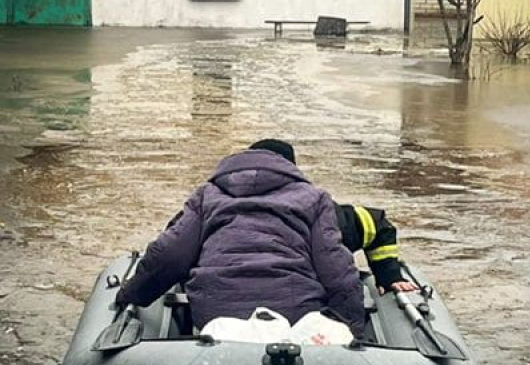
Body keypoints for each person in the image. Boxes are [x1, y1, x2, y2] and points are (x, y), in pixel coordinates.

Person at [115, 140, 365, 338]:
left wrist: (130, 294)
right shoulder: (314, 198)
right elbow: (336, 267)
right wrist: (351, 330)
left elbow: (170, 256)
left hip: (216, 314)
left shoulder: (207, 196)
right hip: (296, 314)